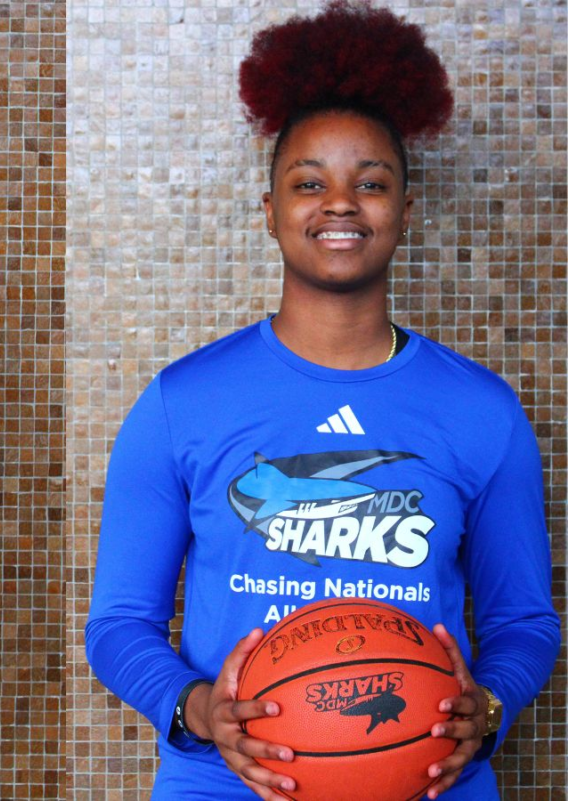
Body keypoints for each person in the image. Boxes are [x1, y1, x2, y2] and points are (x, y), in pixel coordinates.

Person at [84, 3, 560, 800]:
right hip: (223, 783)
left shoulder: (483, 410)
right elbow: (117, 625)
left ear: (405, 213)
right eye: (309, 183)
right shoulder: (182, 401)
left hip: (431, 779)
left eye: (370, 183)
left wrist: (489, 705)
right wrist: (198, 707)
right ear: (270, 212)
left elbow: (524, 624)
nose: (340, 203)